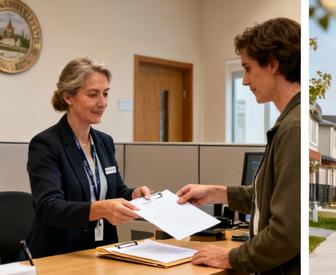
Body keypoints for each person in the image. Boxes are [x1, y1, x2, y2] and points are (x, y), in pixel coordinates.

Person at [175, 17, 300, 274]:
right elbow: (266, 198)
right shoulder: (288, 122)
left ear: (273, 65)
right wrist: (215, 193)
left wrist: (231, 258)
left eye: (248, 68)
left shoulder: (293, 128)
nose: (244, 80)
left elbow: (286, 232)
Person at [25, 58, 152, 258]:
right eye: (93, 94)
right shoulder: (46, 144)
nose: (102, 103)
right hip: (59, 254)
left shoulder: (104, 142)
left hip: (102, 250)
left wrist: (133, 194)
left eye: (106, 94)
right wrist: (100, 209)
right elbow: (49, 207)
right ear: (68, 97)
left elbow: (115, 190)